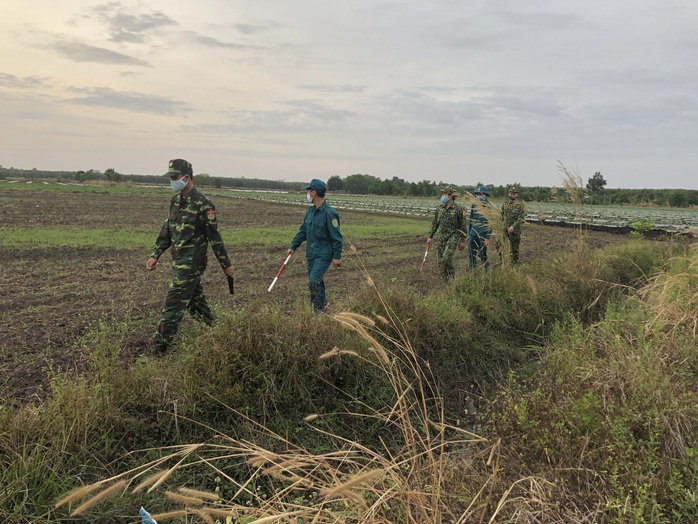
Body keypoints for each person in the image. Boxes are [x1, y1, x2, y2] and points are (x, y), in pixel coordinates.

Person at [146, 159, 235, 354]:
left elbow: (215, 237)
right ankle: (220, 333)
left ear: (187, 177)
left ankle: (159, 349)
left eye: (175, 177)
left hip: (192, 265)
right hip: (178, 262)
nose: (172, 181)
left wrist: (226, 265)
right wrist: (156, 254)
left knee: (173, 305)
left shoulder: (204, 205)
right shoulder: (176, 201)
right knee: (195, 304)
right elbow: (168, 228)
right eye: (171, 177)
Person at [287, 179, 343, 312]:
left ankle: (319, 312)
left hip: (324, 254)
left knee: (314, 280)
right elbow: (303, 231)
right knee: (315, 282)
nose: (307, 193)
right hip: (311, 253)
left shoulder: (331, 214)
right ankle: (319, 308)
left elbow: (336, 237)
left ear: (314, 193)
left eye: (308, 191)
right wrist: (293, 246)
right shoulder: (310, 212)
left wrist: (337, 256)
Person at [427, 185, 467, 281]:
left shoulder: (459, 209)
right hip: (442, 237)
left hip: (453, 236)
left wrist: (462, 240)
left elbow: (463, 225)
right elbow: (435, 223)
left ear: (450, 196)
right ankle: (445, 281)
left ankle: (451, 278)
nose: (443, 195)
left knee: (446, 258)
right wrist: (430, 236)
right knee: (441, 261)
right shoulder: (439, 209)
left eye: (444, 194)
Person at [468, 185, 493, 269]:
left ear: (485, 195)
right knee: (471, 254)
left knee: (482, 254)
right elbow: (471, 219)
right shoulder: (474, 205)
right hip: (473, 233)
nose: (479, 196)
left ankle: (487, 269)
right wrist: (469, 233)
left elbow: (491, 222)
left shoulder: (489, 206)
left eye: (480, 194)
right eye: (477, 194)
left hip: (482, 234)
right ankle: (472, 270)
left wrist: (487, 237)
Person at [501, 185, 526, 264]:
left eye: (514, 193)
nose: (513, 195)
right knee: (499, 245)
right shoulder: (505, 204)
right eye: (511, 193)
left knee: (514, 248)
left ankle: (513, 264)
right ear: (509, 194)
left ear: (517, 195)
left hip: (515, 231)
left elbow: (521, 218)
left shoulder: (521, 205)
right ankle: (502, 261)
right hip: (505, 229)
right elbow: (502, 215)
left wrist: (513, 226)